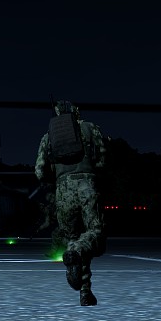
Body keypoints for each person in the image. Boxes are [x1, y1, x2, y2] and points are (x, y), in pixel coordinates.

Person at [35, 99, 108, 306]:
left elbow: (40, 171)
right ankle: (75, 254)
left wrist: (57, 179)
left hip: (63, 189)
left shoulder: (48, 137)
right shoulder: (90, 128)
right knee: (94, 232)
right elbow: (102, 160)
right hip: (87, 184)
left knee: (73, 237)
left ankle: (85, 292)